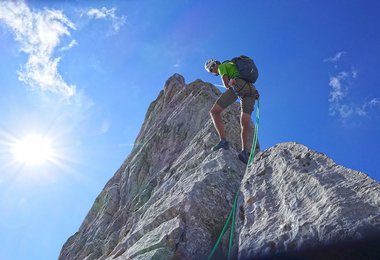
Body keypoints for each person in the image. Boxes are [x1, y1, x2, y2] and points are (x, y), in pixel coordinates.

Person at [205, 58, 260, 164]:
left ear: (214, 65)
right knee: (245, 123)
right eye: (212, 70)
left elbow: (226, 85)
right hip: (250, 90)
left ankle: (223, 141)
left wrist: (229, 83)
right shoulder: (233, 65)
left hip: (237, 86)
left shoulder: (222, 67)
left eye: (212, 69)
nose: (214, 70)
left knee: (214, 112)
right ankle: (244, 153)